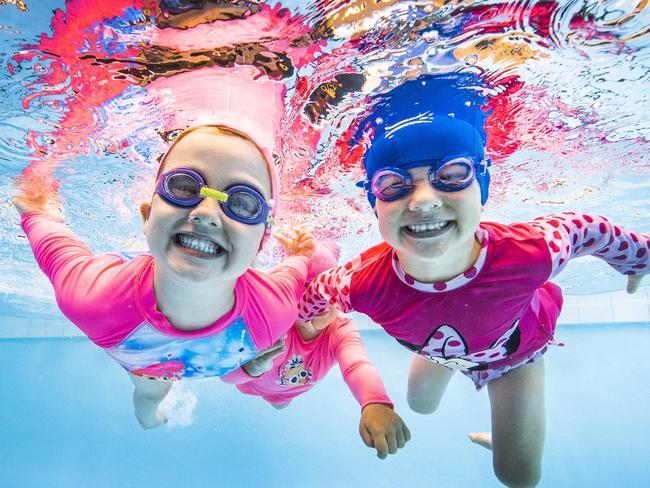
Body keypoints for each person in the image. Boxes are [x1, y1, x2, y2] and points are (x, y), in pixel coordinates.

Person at [296, 74, 649, 487]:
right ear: (375, 204)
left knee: (518, 477)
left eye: (453, 174)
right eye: (394, 185)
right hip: (440, 350)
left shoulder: (528, 252)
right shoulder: (362, 282)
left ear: (482, 187)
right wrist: (297, 325)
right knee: (419, 405)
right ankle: (455, 367)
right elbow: (313, 297)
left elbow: (588, 228)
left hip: (514, 358)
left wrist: (638, 258)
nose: (424, 200)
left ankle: (499, 439)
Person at [12, 124, 318, 430]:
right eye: (184, 186)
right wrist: (39, 214)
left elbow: (296, 268)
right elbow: (56, 245)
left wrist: (299, 255)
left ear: (260, 245)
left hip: (202, 360)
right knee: (148, 399)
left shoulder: (272, 312)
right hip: (148, 367)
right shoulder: (98, 299)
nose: (207, 213)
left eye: (242, 203)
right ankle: (149, 420)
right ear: (147, 218)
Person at [221, 245, 411, 459]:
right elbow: (227, 375)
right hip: (253, 386)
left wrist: (374, 401)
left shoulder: (340, 329)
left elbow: (357, 364)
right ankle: (277, 400)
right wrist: (251, 367)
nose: (319, 302)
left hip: (294, 391)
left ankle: (280, 401)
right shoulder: (274, 325)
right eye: (307, 290)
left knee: (281, 404)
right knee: (275, 401)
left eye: (328, 291)